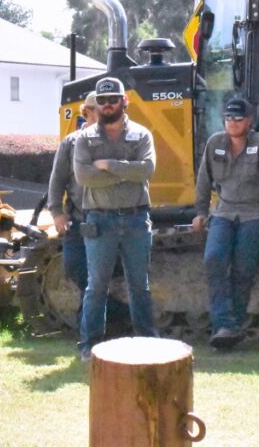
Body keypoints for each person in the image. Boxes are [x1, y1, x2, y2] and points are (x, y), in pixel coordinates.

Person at [192, 97, 259, 349]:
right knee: (213, 258)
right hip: (224, 212)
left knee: (243, 266)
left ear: (249, 121)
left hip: (258, 214)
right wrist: (200, 212)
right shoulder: (214, 143)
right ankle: (225, 324)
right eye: (228, 118)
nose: (232, 123)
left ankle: (229, 328)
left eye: (238, 118)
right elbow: (203, 180)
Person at [73, 77, 158, 361]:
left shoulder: (142, 135)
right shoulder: (84, 139)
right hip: (100, 220)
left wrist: (108, 165)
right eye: (102, 100)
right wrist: (126, 170)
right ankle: (89, 345)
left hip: (136, 219)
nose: (107, 105)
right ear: (97, 104)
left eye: (113, 99)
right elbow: (84, 176)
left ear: (125, 101)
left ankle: (148, 342)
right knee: (96, 286)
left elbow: (147, 169)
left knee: (139, 285)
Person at [46, 94, 97, 305]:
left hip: (109, 217)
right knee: (74, 266)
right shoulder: (71, 143)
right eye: (99, 107)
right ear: (87, 112)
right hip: (78, 218)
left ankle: (92, 320)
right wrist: (57, 213)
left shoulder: (119, 139)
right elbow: (57, 179)